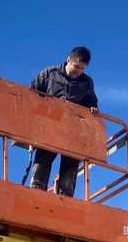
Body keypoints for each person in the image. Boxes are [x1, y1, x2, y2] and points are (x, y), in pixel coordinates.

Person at [29, 46, 99, 197]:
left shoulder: (86, 82)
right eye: (76, 66)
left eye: (82, 68)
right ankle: (36, 189)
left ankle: (65, 195)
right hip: (49, 125)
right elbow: (32, 93)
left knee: (72, 160)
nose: (79, 71)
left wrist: (93, 108)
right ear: (69, 60)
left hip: (72, 129)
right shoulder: (49, 73)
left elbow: (92, 102)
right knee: (44, 156)